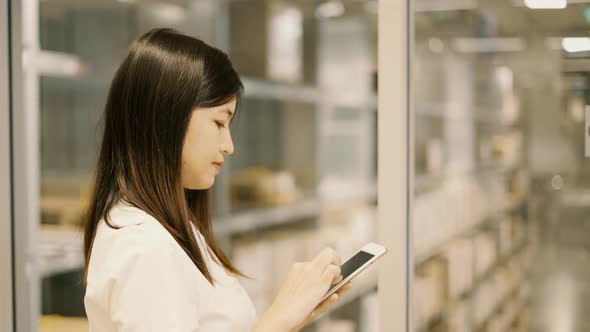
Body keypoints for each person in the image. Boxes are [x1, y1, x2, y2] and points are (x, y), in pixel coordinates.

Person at [82, 28, 350, 332]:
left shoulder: (169, 230)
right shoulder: (145, 247)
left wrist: (294, 313)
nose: (229, 145)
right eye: (219, 122)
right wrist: (281, 316)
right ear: (169, 115)